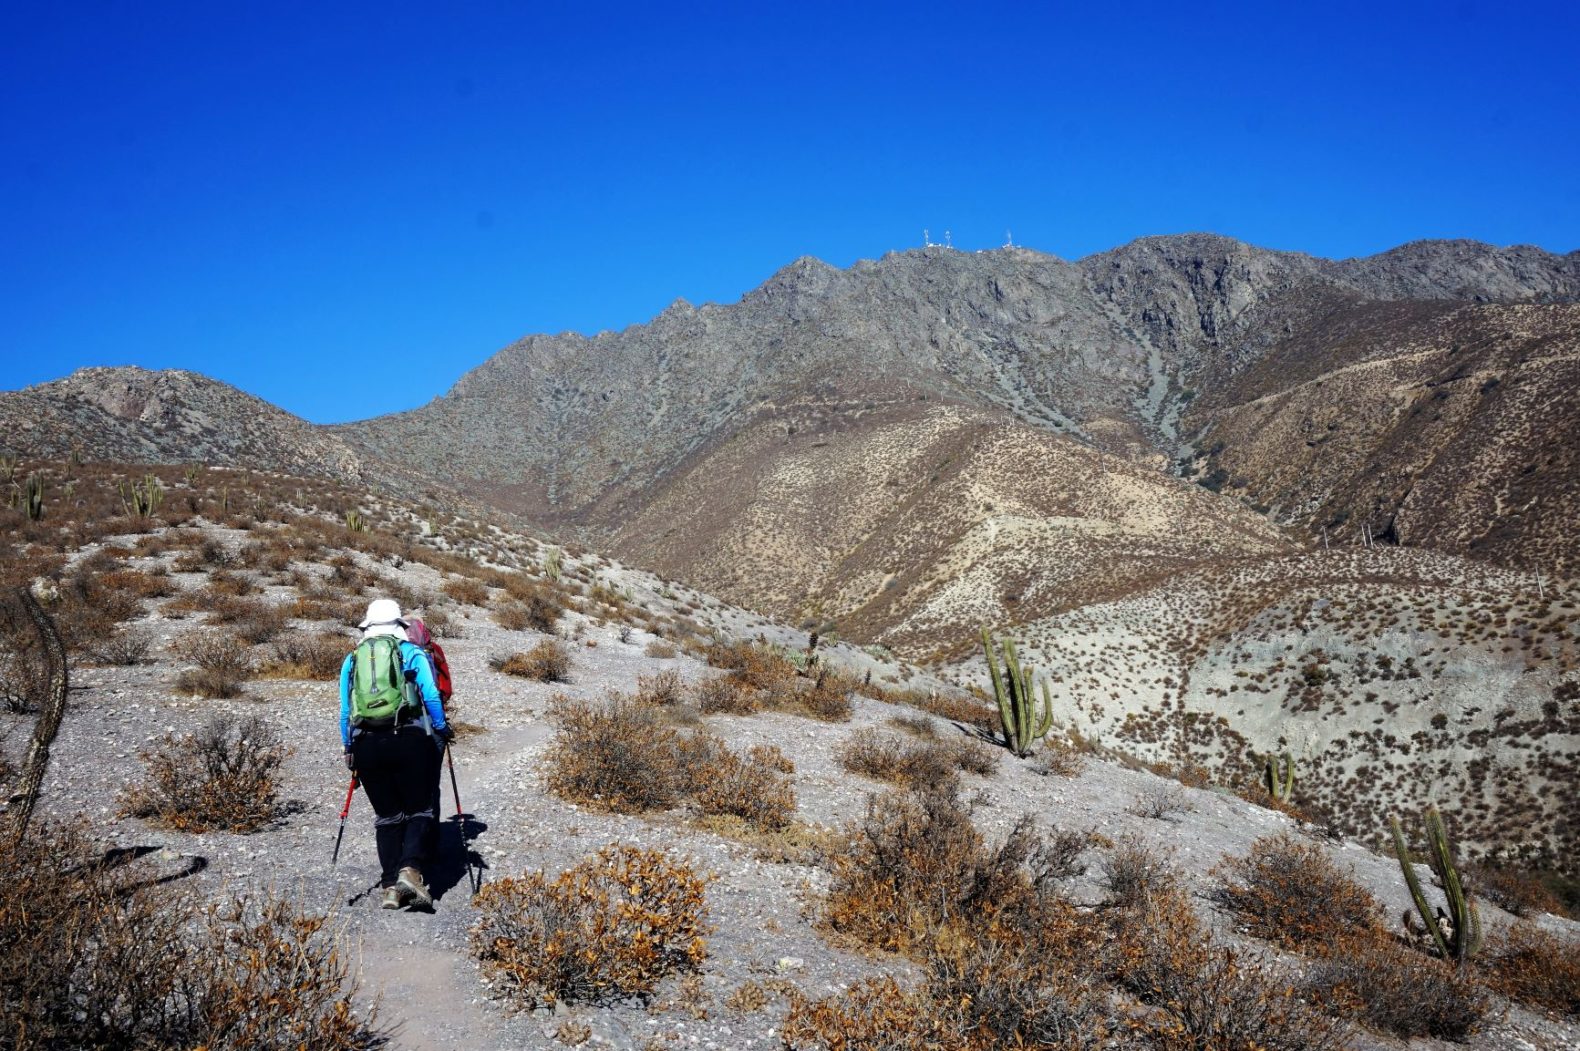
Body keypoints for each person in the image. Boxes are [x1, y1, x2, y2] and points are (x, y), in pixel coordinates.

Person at [340, 598, 451, 910]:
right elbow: (430, 695)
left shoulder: (352, 659)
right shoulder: (410, 652)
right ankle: (410, 870)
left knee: (387, 816)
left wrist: (349, 748)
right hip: (408, 738)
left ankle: (390, 886)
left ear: (369, 628)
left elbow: (345, 711)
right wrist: (441, 728)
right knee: (420, 809)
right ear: (399, 626)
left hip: (366, 745)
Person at [404, 616, 452, 862]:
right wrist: (442, 722)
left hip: (398, 728)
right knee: (431, 784)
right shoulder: (432, 651)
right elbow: (445, 689)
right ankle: (431, 840)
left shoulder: (394, 650)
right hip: (432, 725)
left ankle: (404, 841)